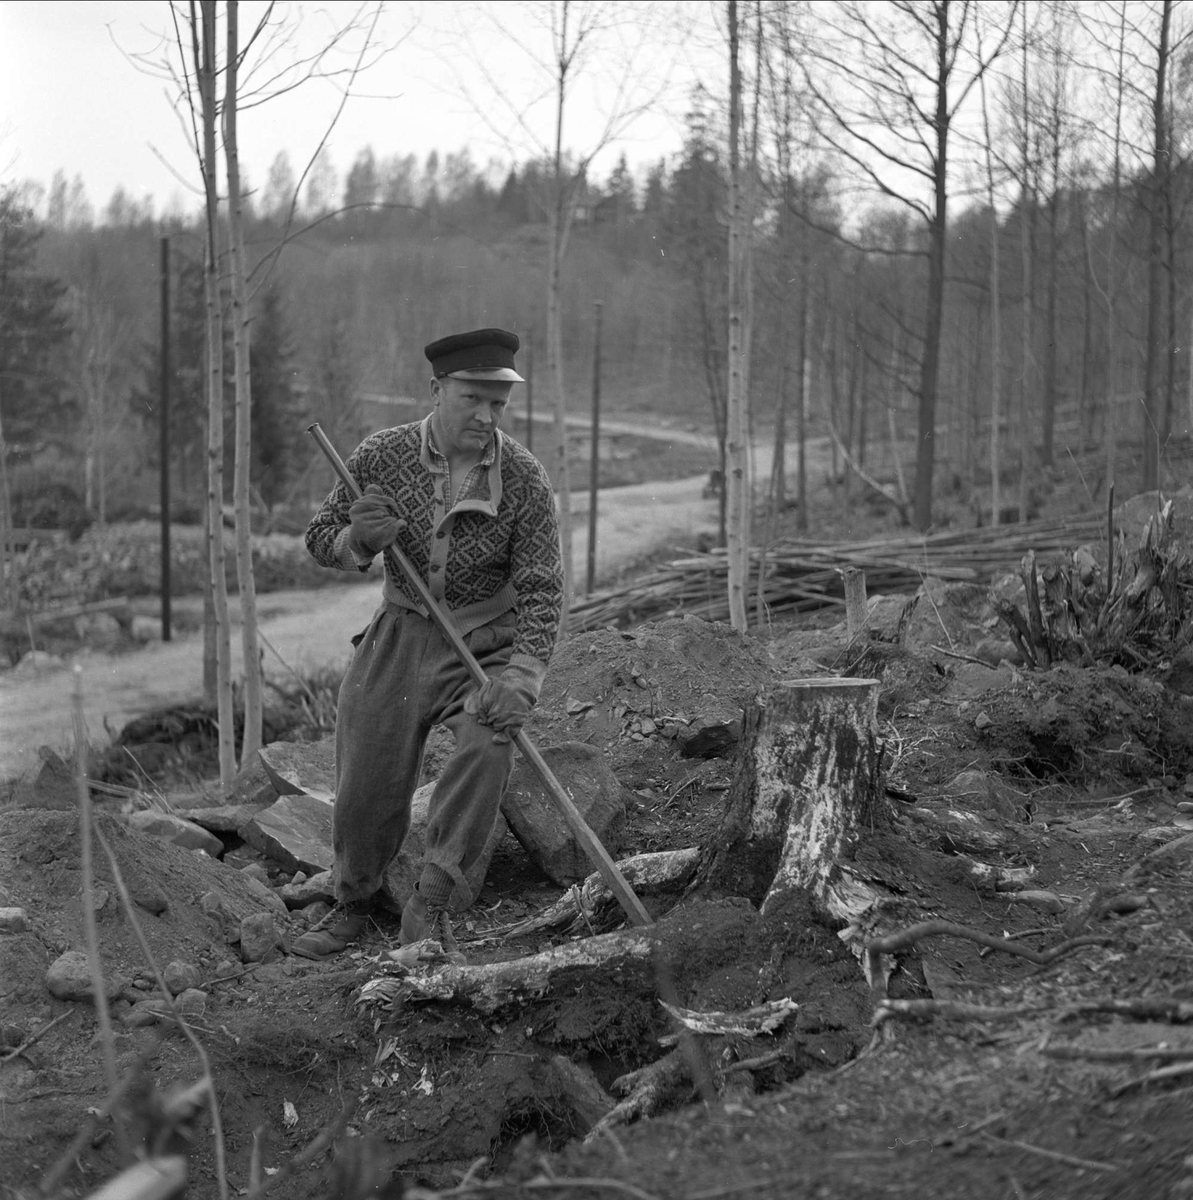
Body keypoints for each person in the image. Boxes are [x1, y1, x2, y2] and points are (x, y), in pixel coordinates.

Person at [293, 328, 563, 961]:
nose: (486, 416)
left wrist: (521, 677)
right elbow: (318, 537)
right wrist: (358, 541)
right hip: (399, 634)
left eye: (498, 404)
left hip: (483, 644)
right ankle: (352, 903)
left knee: (487, 738)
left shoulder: (523, 478)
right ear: (437, 389)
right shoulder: (380, 456)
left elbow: (543, 587)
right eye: (473, 399)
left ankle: (433, 900)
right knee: (367, 770)